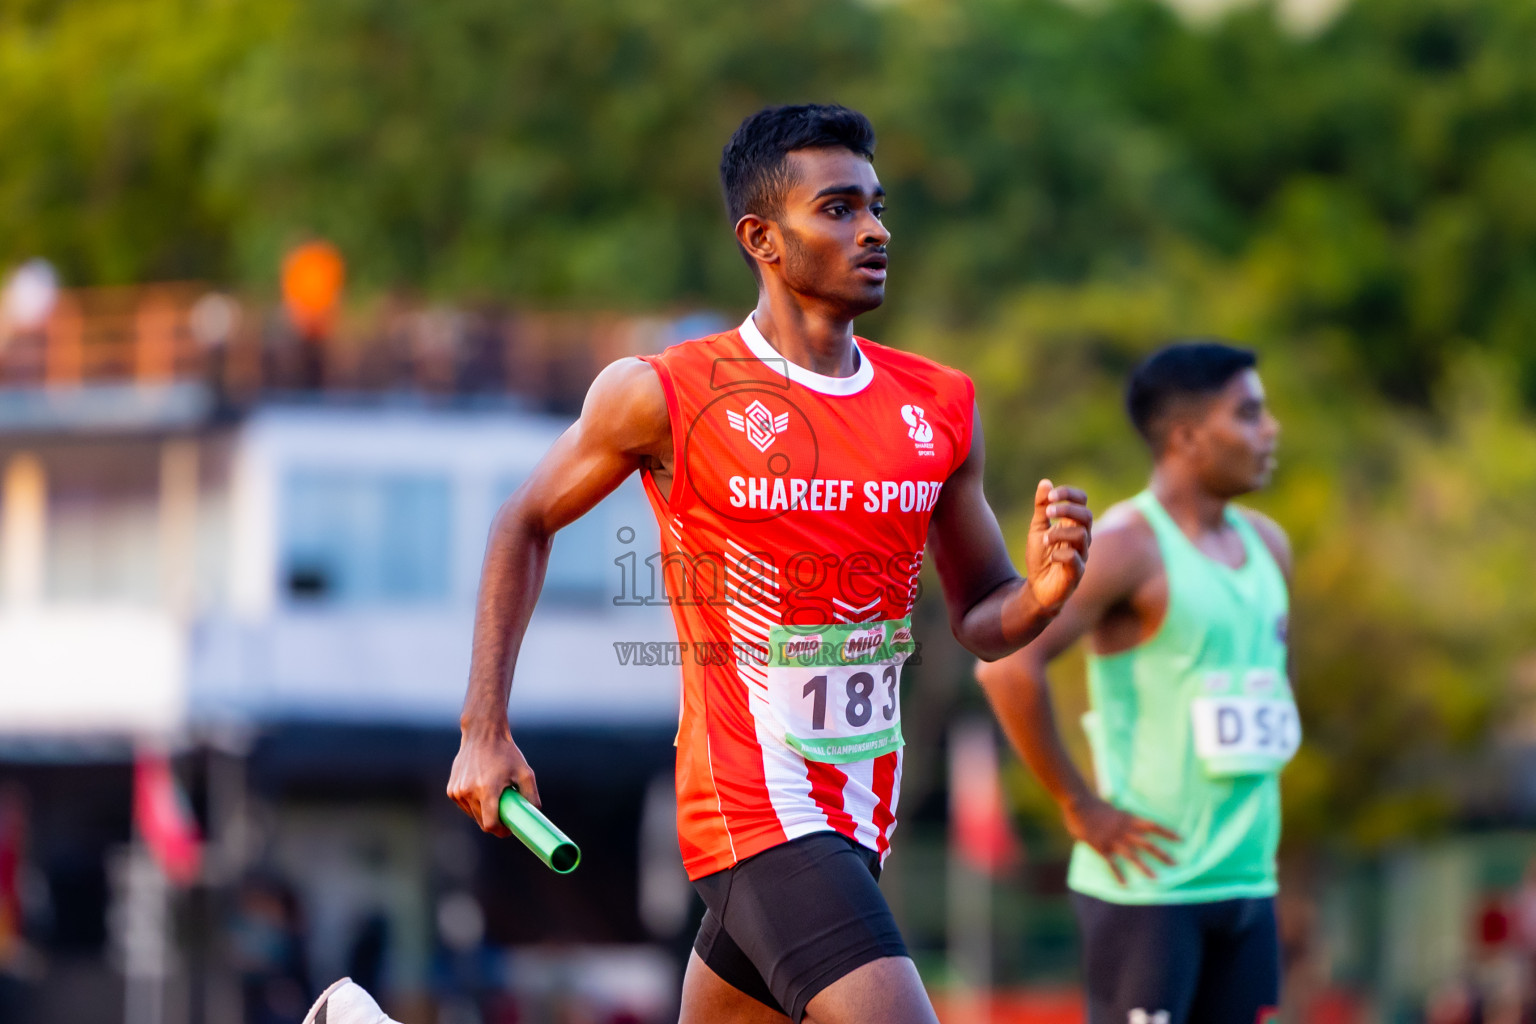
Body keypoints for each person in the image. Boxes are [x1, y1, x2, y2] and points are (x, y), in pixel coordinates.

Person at [304, 103, 1092, 1024]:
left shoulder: (940, 404)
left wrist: (1042, 595)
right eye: (838, 209)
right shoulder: (667, 394)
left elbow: (982, 613)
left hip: (858, 812)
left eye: (876, 207)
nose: (874, 231)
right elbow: (524, 521)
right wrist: (485, 727)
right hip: (751, 809)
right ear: (762, 239)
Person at [974, 341, 1293, 1024]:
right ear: (1186, 437)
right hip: (1149, 890)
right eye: (1248, 414)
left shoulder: (1270, 546)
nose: (1270, 431)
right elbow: (1004, 666)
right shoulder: (1128, 546)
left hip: (1249, 883)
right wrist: (1079, 803)